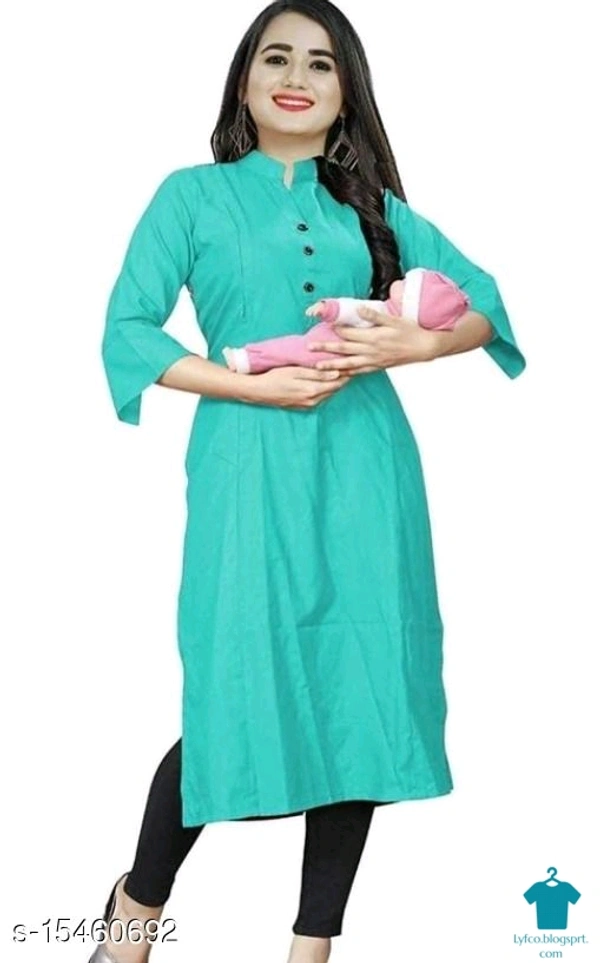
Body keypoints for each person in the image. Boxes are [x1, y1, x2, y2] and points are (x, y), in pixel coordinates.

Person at [92, 1, 526, 961]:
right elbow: (126, 329)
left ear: (346, 91)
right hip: (245, 469)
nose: (296, 77)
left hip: (368, 472)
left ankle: (312, 945)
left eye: (321, 64)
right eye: (276, 57)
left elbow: (486, 304)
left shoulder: (375, 213)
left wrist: (415, 345)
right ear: (245, 80)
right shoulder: (192, 197)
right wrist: (251, 382)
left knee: (358, 686)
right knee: (232, 684)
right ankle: (131, 920)